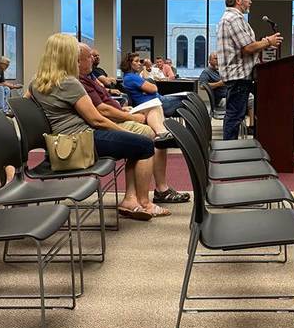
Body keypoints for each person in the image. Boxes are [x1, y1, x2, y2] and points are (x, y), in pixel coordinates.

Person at [27, 34, 168, 220]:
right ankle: (145, 203)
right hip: (83, 141)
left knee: (135, 145)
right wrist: (125, 132)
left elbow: (25, 106)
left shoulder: (35, 83)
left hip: (63, 144)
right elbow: (97, 120)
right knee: (144, 145)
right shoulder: (70, 83)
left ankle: (130, 200)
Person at [78, 44, 189, 203]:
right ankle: (149, 195)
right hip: (108, 123)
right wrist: (127, 117)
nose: (94, 59)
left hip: (123, 111)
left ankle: (162, 136)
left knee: (158, 108)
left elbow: (108, 96)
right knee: (156, 126)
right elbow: (102, 111)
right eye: (89, 57)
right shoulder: (84, 80)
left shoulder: (90, 77)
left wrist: (123, 109)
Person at [216, 0, 282, 140]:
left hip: (239, 76)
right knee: (234, 116)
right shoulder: (233, 18)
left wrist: (264, 43)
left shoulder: (232, 18)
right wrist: (268, 41)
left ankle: (229, 149)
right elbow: (247, 48)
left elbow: (246, 47)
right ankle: (228, 152)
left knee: (235, 115)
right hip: (238, 76)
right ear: (238, 0)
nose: (250, 1)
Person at [120, 53, 185, 118]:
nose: (139, 63)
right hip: (154, 103)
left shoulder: (128, 76)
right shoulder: (132, 77)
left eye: (139, 61)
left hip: (156, 100)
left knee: (187, 97)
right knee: (187, 100)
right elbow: (154, 89)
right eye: (136, 61)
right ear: (129, 63)